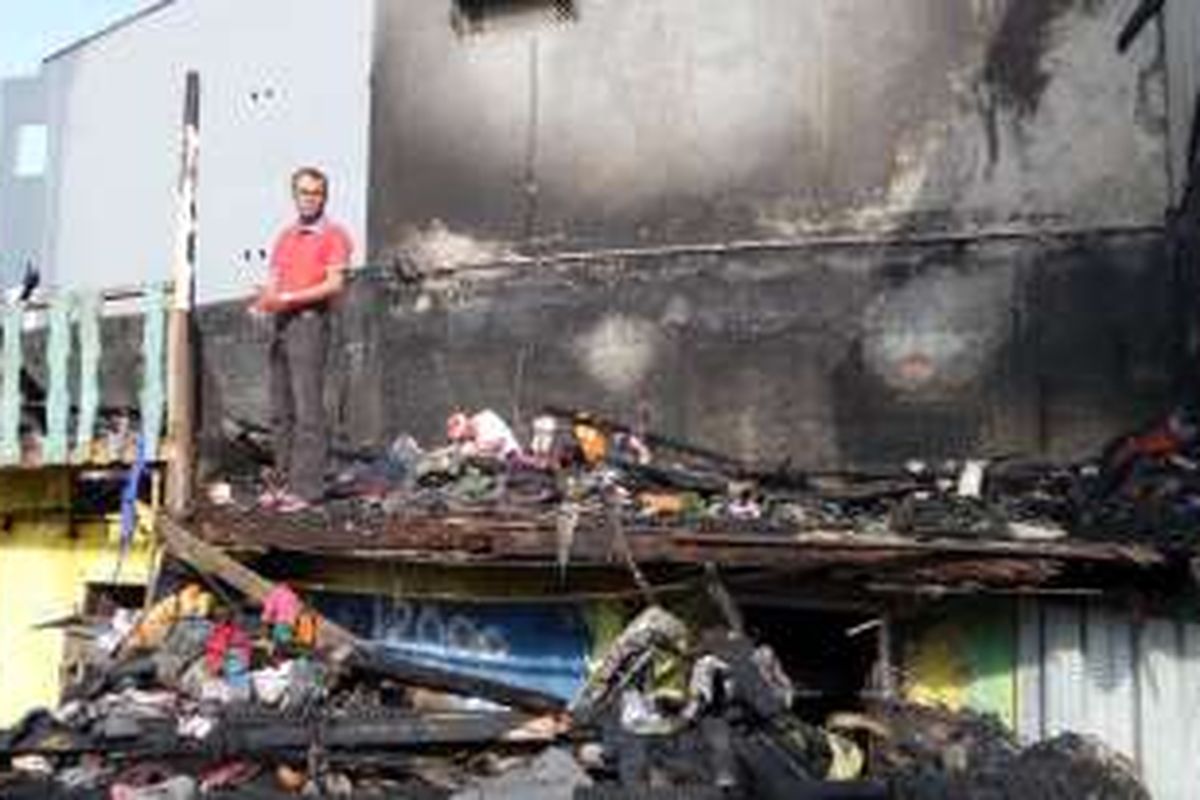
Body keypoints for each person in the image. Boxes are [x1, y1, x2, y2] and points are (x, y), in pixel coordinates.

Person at [252, 167, 352, 511]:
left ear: (325, 196)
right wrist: (263, 300)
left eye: (316, 193)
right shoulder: (285, 237)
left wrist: (290, 298)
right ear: (294, 195)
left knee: (308, 407)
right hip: (281, 321)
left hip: (309, 322)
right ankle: (282, 482)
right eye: (304, 192)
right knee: (280, 407)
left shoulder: (334, 235)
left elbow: (334, 284)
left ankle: (307, 489)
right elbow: (274, 282)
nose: (310, 198)